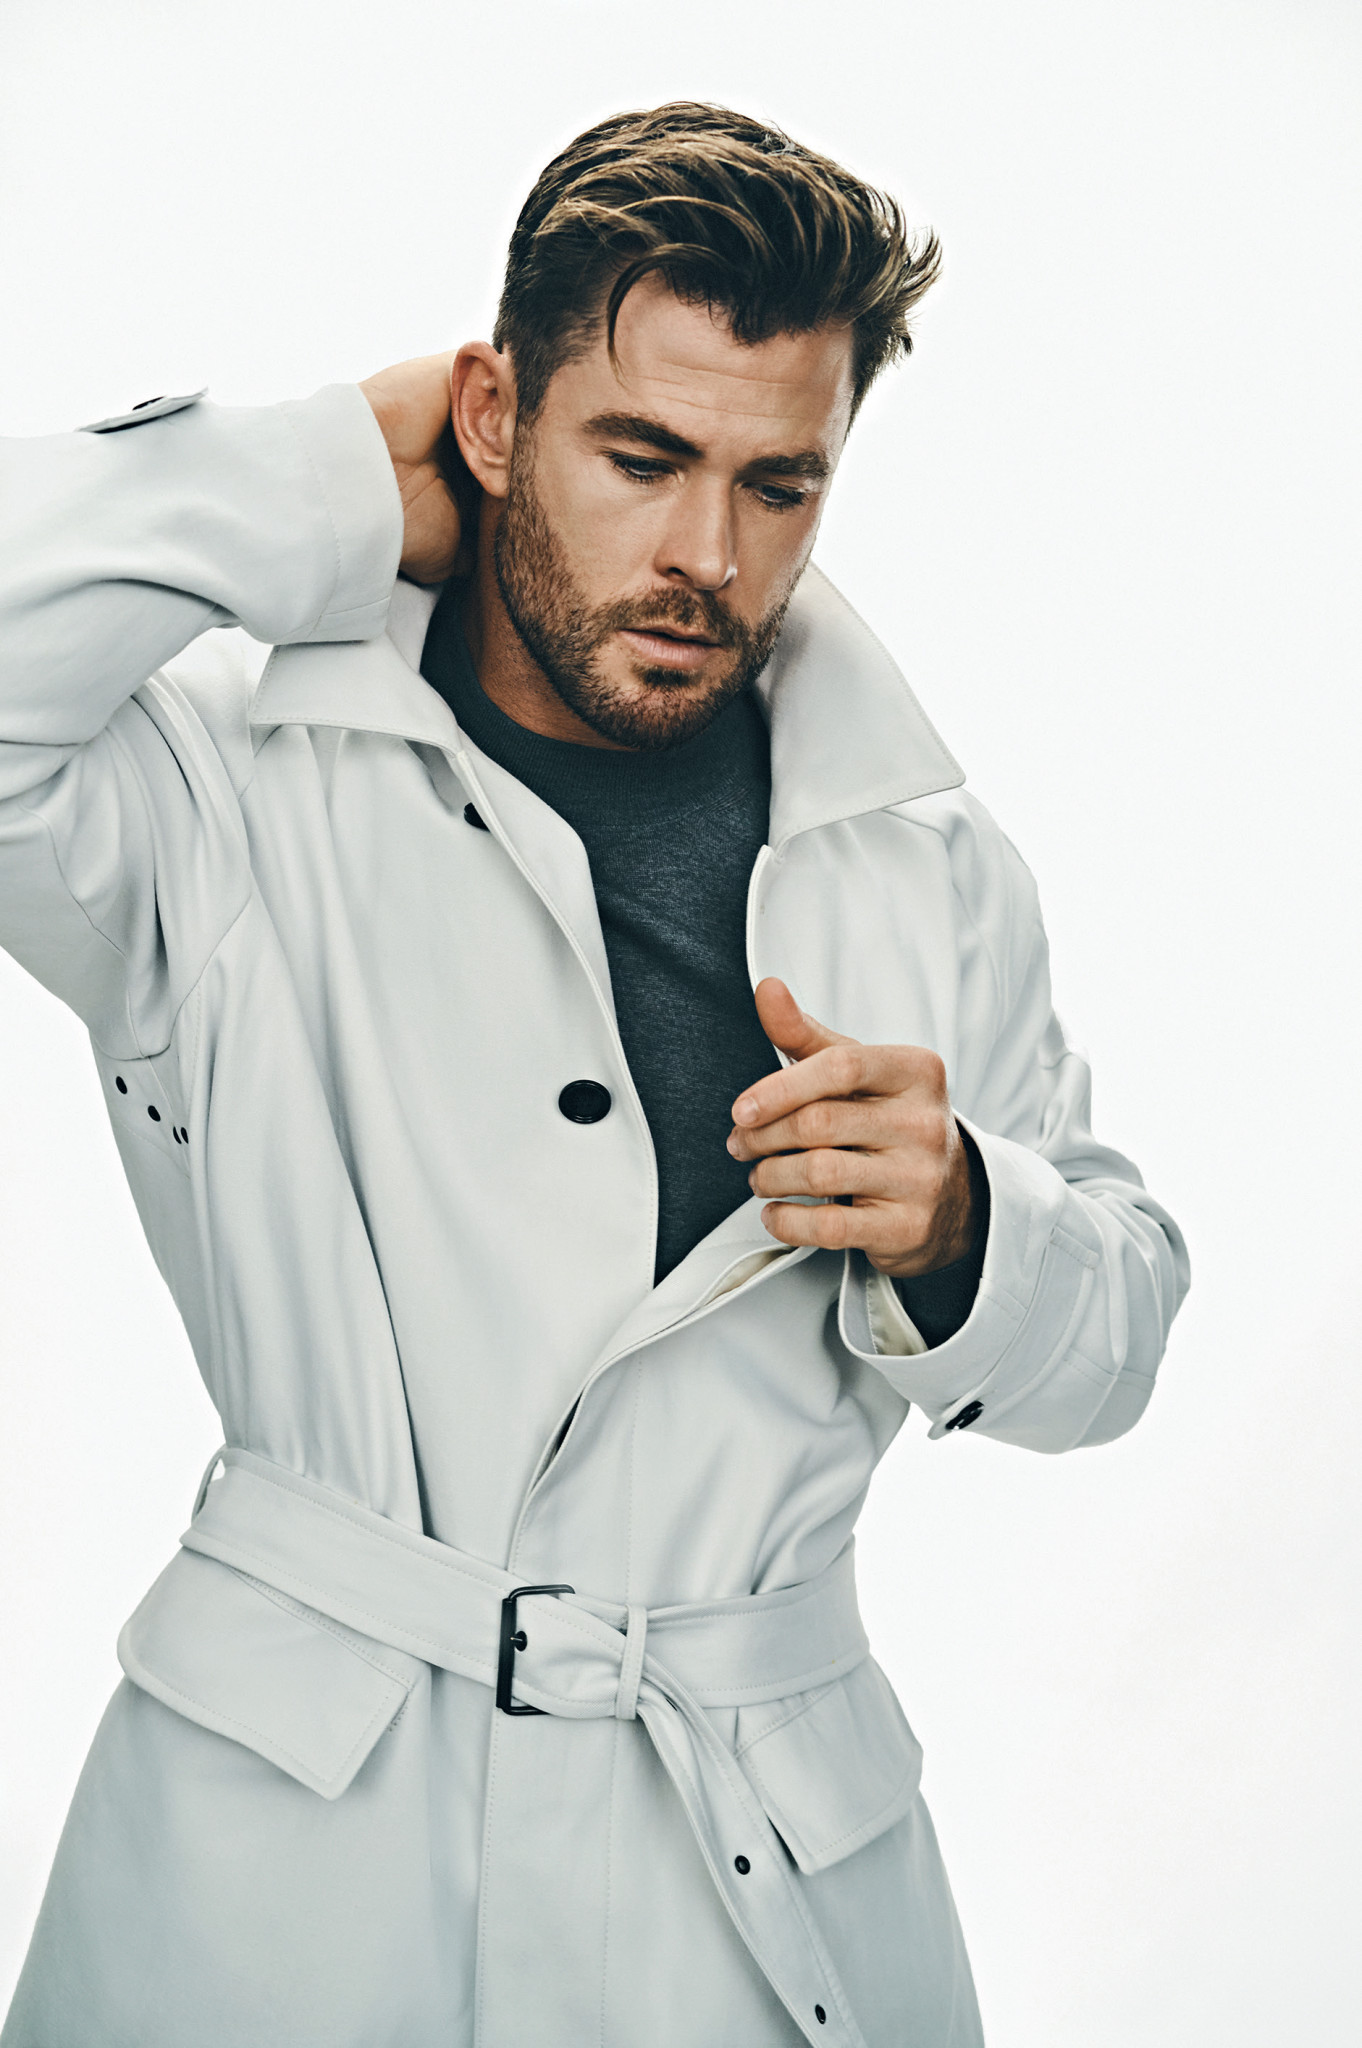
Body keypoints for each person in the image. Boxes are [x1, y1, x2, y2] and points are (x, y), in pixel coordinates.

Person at [0, 103, 1188, 2048]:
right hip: (285, 1877)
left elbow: (1117, 1342)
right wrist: (320, 470)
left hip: (753, 1874)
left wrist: (974, 1219)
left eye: (780, 484)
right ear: (493, 415)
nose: (708, 557)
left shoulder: (930, 863)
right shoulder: (221, 791)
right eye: (641, 459)